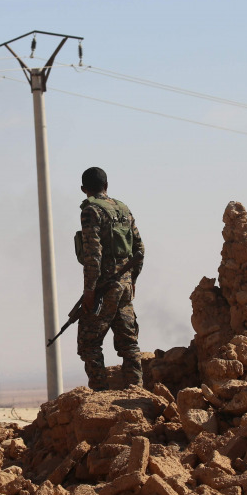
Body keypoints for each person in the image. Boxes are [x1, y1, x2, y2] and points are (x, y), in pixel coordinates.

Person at [75, 167, 145, 390]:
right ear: (107, 186)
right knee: (129, 343)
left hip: (104, 288)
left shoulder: (91, 211)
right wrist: (132, 279)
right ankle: (136, 389)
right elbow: (139, 247)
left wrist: (90, 291)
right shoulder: (122, 209)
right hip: (124, 284)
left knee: (89, 343)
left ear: (84, 189)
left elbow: (92, 255)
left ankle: (100, 394)